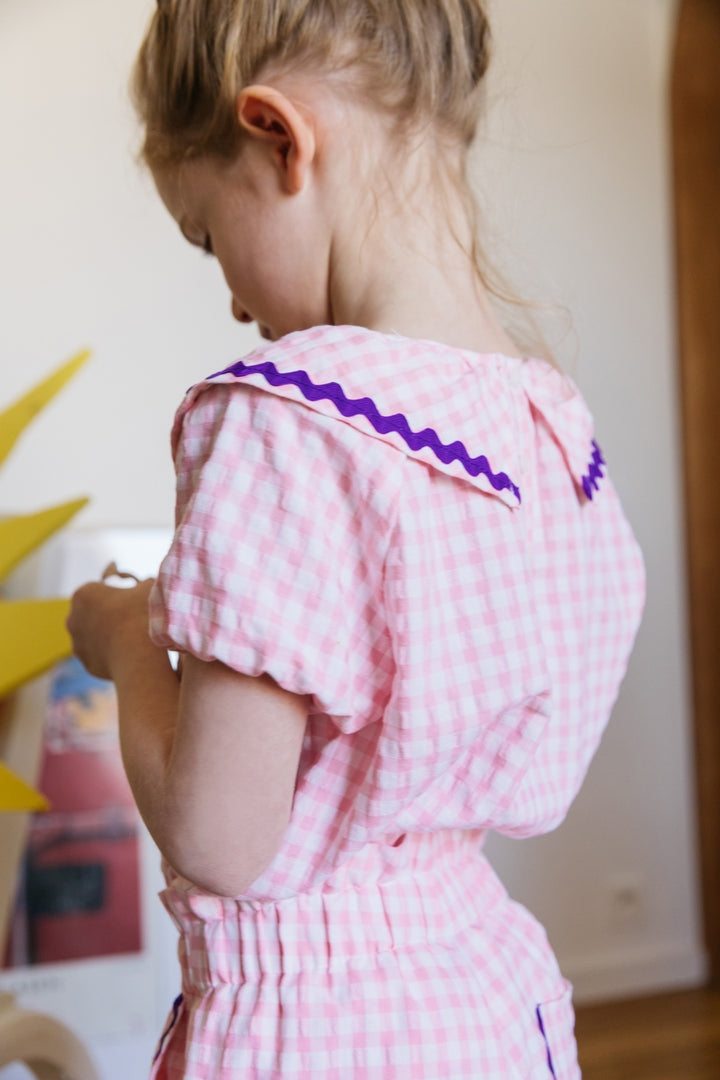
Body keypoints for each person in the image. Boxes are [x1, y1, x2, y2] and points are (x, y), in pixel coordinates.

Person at [66, 1, 645, 1077]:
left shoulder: (285, 425)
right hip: (486, 1002)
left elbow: (221, 841)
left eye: (207, 236)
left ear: (280, 139)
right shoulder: (552, 432)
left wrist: (126, 640)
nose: (236, 301)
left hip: (319, 1034)